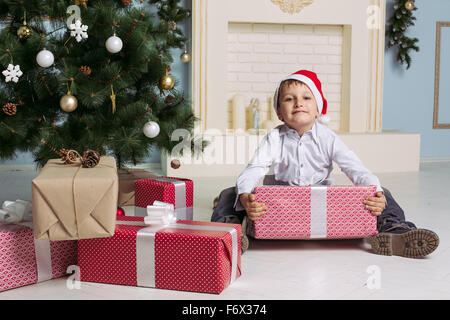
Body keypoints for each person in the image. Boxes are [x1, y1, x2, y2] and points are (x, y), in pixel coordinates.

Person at [211, 69, 439, 258]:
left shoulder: (328, 137)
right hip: (282, 201)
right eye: (289, 99)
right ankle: (230, 232)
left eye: (306, 98)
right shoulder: (274, 138)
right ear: (280, 112)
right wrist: (246, 197)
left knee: (382, 191)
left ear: (318, 109)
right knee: (230, 193)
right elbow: (255, 169)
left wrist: (376, 193)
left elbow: (355, 168)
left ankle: (394, 230)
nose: (298, 103)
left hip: (322, 201)